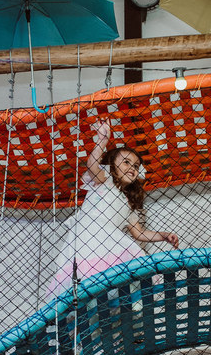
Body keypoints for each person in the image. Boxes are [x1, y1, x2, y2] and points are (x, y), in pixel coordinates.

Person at [45, 120, 181, 300]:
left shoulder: (128, 203)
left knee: (123, 271)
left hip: (109, 240)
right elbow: (92, 166)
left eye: (135, 166)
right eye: (126, 162)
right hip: (88, 238)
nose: (132, 168)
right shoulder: (104, 181)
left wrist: (163, 235)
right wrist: (102, 141)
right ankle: (90, 305)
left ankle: (130, 303)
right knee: (85, 276)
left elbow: (139, 233)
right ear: (111, 165)